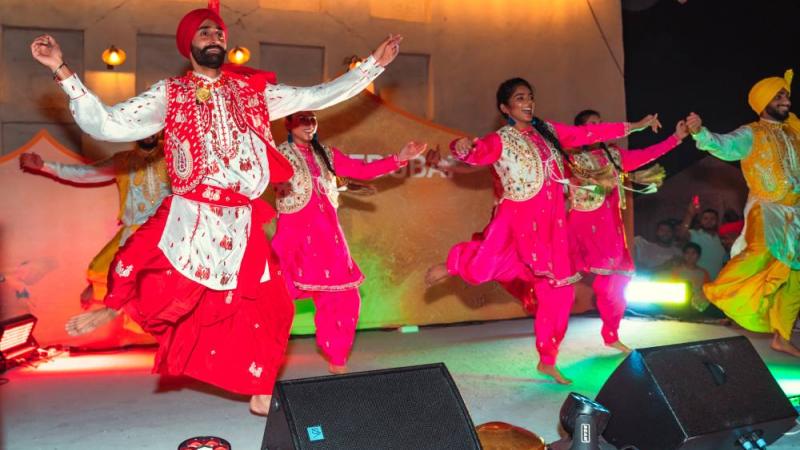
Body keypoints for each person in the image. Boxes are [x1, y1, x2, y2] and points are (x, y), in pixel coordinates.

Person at [30, 5, 402, 414]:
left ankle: (260, 390)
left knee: (274, 305)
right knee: (143, 269)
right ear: (188, 44)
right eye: (205, 32)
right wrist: (61, 69)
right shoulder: (170, 94)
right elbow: (107, 124)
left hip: (242, 218)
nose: (215, 37)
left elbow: (317, 95)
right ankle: (112, 306)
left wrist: (373, 65)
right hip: (191, 212)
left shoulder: (253, 92)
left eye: (220, 33)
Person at [427, 77, 661, 384]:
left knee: (561, 293)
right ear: (505, 108)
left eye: (530, 97)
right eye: (520, 98)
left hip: (552, 226)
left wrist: (636, 126)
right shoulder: (501, 139)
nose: (528, 103)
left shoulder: (548, 132)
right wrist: (462, 147)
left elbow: (588, 133)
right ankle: (455, 264)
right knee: (484, 268)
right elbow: (477, 152)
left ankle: (547, 360)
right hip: (516, 220)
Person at [272, 111, 425, 374]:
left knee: (344, 297)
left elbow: (362, 170)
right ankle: (255, 360)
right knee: (272, 297)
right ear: (288, 123)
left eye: (312, 120)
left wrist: (399, 157)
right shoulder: (276, 154)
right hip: (293, 237)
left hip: (328, 238)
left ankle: (337, 358)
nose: (309, 125)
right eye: (302, 120)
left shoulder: (327, 155)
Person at [687, 69, 800, 357]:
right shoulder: (752, 133)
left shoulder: (794, 132)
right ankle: (716, 290)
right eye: (779, 96)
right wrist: (701, 133)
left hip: (795, 212)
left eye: (786, 95)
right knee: (762, 250)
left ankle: (782, 335)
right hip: (767, 207)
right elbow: (724, 145)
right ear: (763, 102)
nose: (786, 101)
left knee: (795, 276)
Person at [20, 135, 169, 335]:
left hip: (169, 233)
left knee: (169, 288)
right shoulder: (123, 160)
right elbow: (86, 173)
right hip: (134, 234)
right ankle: (109, 301)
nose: (149, 134)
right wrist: (44, 166)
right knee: (112, 271)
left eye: (152, 128)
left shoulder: (175, 154)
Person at [567, 109, 688, 352]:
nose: (600, 127)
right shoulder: (571, 158)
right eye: (593, 124)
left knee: (620, 280)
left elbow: (645, 155)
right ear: (582, 131)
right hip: (582, 227)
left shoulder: (614, 156)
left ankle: (611, 333)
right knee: (556, 279)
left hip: (610, 230)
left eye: (601, 123)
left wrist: (674, 138)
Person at [675, 202, 727, 278]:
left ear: (717, 221)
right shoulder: (694, 234)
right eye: (705, 218)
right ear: (701, 221)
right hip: (696, 281)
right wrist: (690, 215)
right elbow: (681, 234)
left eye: (712, 218)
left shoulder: (722, 239)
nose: (709, 221)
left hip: (716, 282)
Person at [670, 242, 711, 313]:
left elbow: (707, 291)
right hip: (681, 304)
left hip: (700, 306)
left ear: (698, 256)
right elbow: (672, 290)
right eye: (687, 253)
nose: (690, 256)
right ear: (683, 255)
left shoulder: (703, 272)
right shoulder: (676, 271)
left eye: (693, 253)